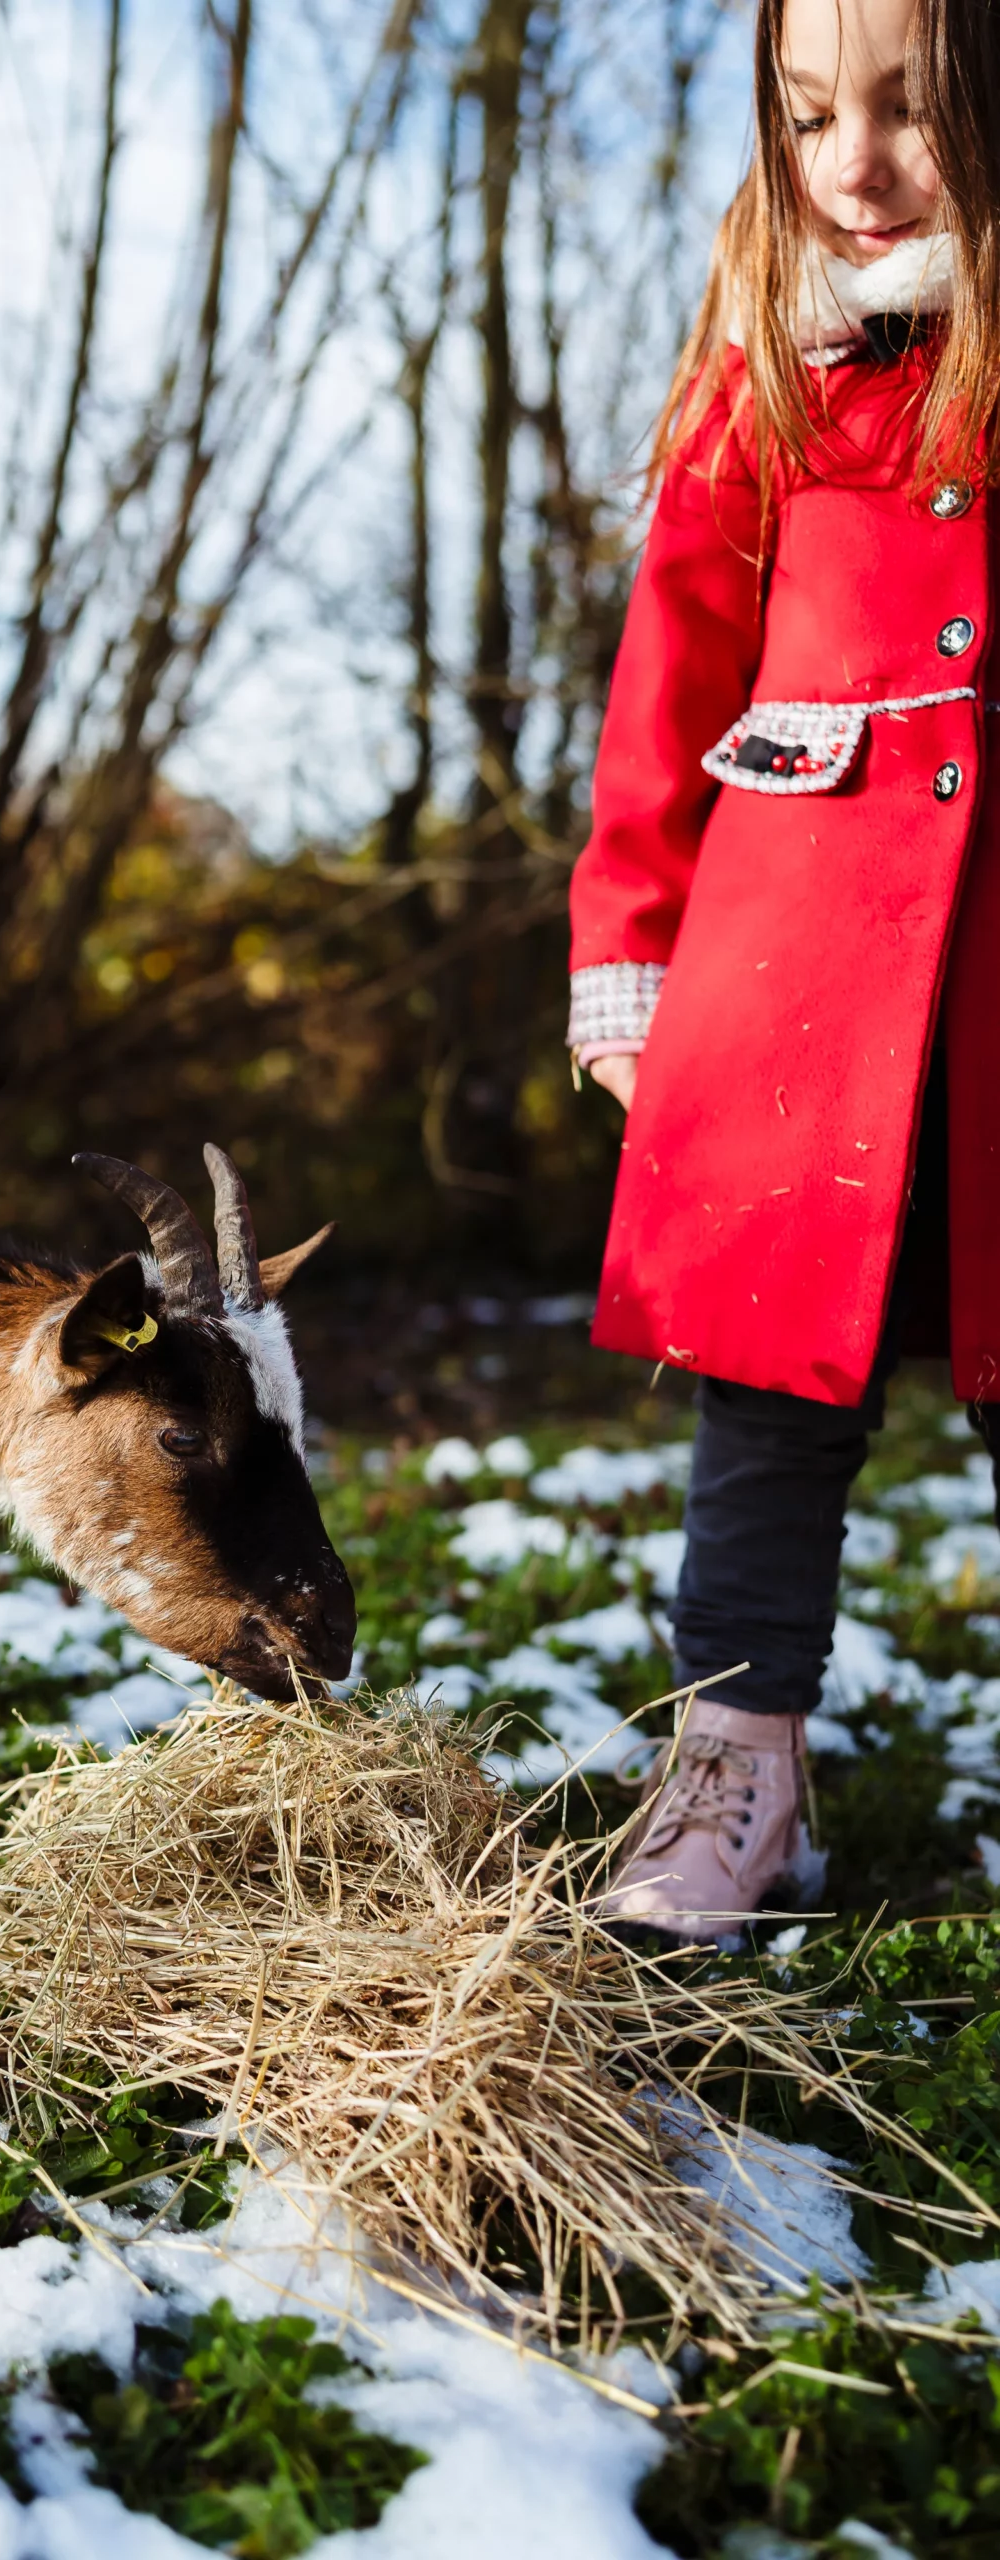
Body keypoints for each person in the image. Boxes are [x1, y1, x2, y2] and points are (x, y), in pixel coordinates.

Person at [568, 0, 1000, 1941]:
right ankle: (738, 1765)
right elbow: (665, 669)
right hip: (793, 984)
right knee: (763, 1403)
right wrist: (627, 949)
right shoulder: (762, 365)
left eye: (905, 107)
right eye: (812, 111)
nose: (853, 158)